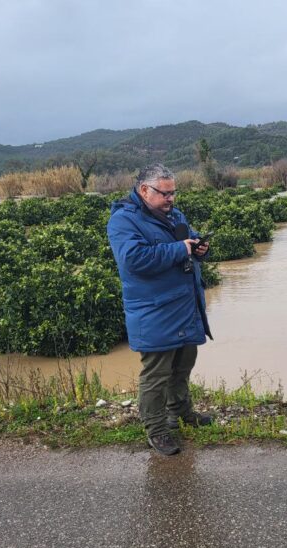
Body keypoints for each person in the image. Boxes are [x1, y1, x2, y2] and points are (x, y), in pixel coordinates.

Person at [107, 163, 213, 456]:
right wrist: (183, 249)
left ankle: (181, 413)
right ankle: (156, 430)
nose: (171, 199)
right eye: (164, 193)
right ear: (144, 190)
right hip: (154, 311)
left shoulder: (173, 215)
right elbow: (134, 260)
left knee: (182, 365)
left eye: (173, 193)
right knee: (156, 375)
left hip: (183, 306)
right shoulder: (123, 221)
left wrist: (200, 248)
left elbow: (188, 239)